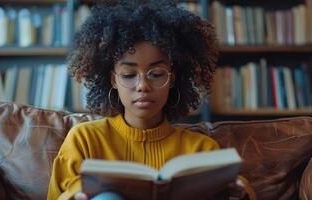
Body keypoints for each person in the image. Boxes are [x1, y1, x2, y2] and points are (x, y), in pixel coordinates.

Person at [47, 1, 253, 199]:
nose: (142, 85)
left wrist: (240, 191)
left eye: (156, 74)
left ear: (172, 79)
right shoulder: (85, 140)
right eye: (129, 75)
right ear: (113, 80)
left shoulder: (201, 149)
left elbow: (236, 188)